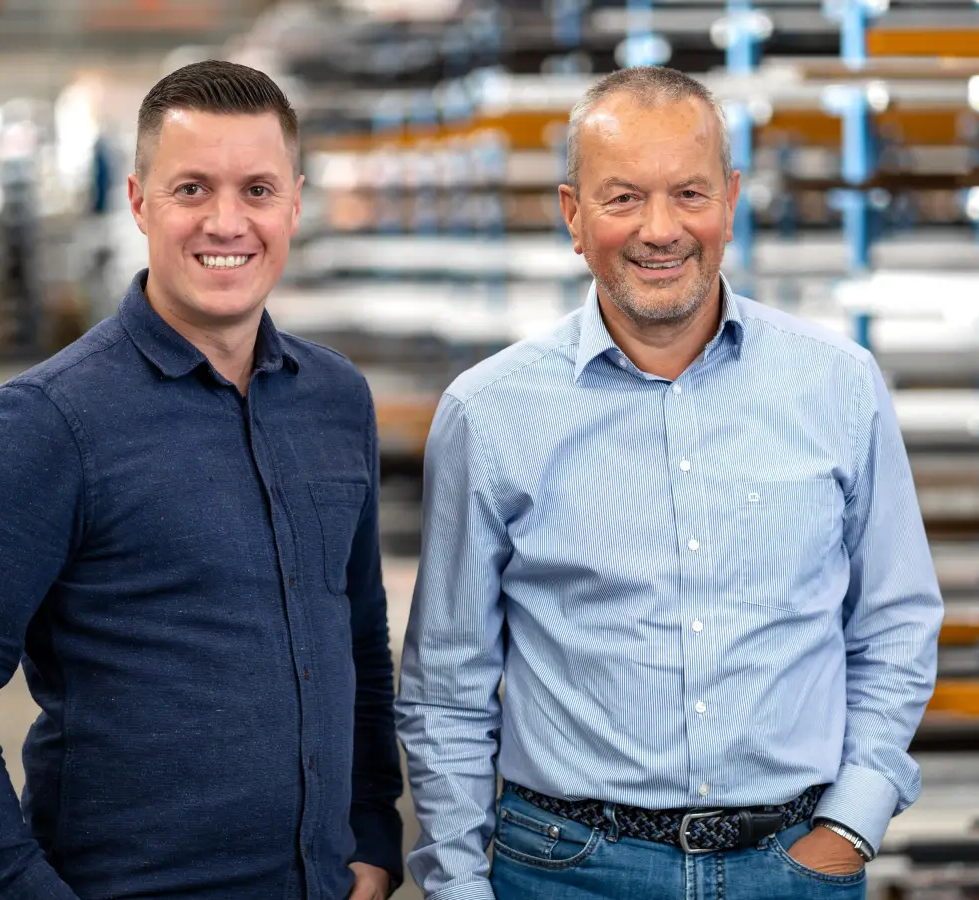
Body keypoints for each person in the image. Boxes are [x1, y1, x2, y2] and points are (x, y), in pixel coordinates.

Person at [396, 66, 943, 900]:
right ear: (573, 215)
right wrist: (459, 887)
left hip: (792, 867)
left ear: (729, 200)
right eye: (622, 199)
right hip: (565, 872)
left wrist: (849, 825)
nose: (661, 230)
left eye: (689, 194)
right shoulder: (490, 412)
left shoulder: (839, 385)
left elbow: (896, 622)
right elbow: (446, 687)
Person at [0, 61, 401, 900]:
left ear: (296, 203)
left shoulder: (336, 400)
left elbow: (359, 639)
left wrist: (374, 830)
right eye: (192, 188)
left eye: (258, 190)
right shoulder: (47, 424)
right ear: (138, 201)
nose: (227, 221)